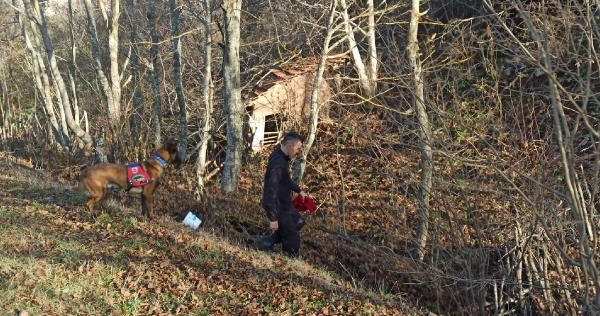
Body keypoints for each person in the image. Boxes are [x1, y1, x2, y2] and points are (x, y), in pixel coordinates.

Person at [254, 131, 307, 256]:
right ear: (289, 146)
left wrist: (299, 190)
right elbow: (270, 191)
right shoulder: (278, 164)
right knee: (292, 242)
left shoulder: (280, 156)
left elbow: (286, 180)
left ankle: (265, 243)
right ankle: (289, 263)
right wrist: (273, 218)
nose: (298, 151)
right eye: (298, 148)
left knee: (298, 221)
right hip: (279, 208)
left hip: (285, 204)